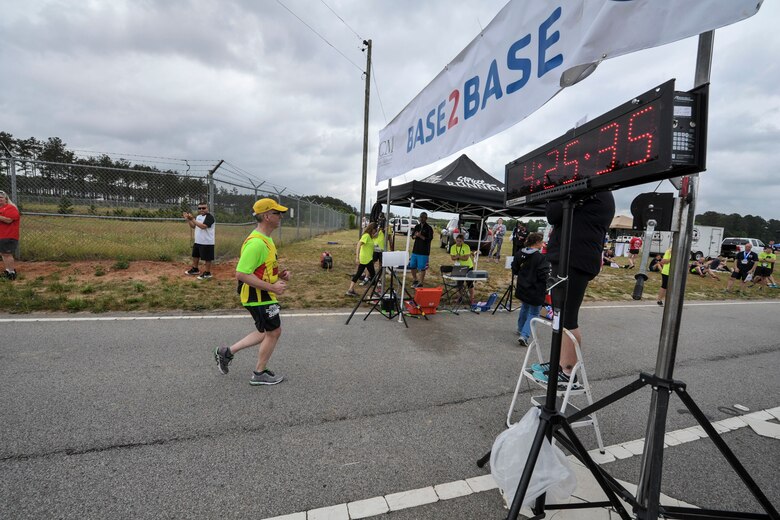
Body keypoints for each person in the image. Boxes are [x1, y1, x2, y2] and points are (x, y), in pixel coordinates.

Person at [534, 192, 615, 387]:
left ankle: (568, 370)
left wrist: (554, 194)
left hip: (574, 258)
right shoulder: (596, 193)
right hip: (572, 256)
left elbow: (553, 213)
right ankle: (559, 364)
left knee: (568, 318)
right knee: (560, 316)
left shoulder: (590, 190)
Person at [214, 198, 290, 386]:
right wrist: (272, 287)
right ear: (266, 216)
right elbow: (241, 273)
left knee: (266, 331)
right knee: (274, 332)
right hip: (258, 295)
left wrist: (278, 275)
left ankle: (227, 352)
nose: (281, 217)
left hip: (262, 294)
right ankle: (259, 372)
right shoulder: (256, 243)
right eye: (277, 213)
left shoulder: (267, 239)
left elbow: (260, 268)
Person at [512, 233, 551, 348]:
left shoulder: (519, 253)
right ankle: (524, 335)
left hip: (523, 287)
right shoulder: (540, 257)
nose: (543, 244)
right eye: (542, 242)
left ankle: (520, 328)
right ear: (537, 243)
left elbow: (515, 269)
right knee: (534, 313)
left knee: (524, 307)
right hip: (535, 289)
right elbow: (543, 275)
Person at [183, 201, 216, 280]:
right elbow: (194, 226)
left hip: (207, 242)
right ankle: (195, 269)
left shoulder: (210, 217)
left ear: (207, 208)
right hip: (198, 241)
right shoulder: (198, 217)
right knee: (195, 255)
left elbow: (203, 226)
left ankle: (207, 273)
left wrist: (192, 219)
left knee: (207, 258)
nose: (201, 209)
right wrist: (188, 219)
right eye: (199, 208)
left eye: (203, 208)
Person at [346, 222, 378, 296]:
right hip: (366, 259)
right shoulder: (366, 236)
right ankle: (375, 292)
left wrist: (379, 231)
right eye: (375, 229)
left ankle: (350, 289)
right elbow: (358, 244)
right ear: (372, 229)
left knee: (358, 274)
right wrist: (357, 257)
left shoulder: (370, 236)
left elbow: (374, 236)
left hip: (366, 258)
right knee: (373, 275)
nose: (375, 231)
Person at [408, 212, 433, 288]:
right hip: (415, 250)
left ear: (426, 218)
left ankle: (421, 282)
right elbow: (412, 236)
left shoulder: (429, 228)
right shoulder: (417, 226)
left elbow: (429, 239)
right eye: (420, 217)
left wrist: (421, 236)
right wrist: (415, 236)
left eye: (423, 217)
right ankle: (415, 279)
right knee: (412, 265)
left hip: (424, 251)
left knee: (422, 267)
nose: (421, 218)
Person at [0, 190, 20, 280]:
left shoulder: (11, 208)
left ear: (6, 199)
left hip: (9, 235)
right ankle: (8, 270)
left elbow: (9, 220)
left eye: (1, 198)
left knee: (7, 254)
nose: (0, 200)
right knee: (3, 254)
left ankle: (12, 273)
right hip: (2, 235)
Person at [449, 233, 475, 303]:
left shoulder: (466, 247)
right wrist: (459, 257)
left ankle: (472, 298)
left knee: (470, 283)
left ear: (463, 241)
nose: (458, 242)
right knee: (459, 283)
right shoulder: (453, 247)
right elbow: (452, 258)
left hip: (469, 266)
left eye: (460, 241)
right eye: (457, 241)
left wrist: (458, 256)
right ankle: (459, 298)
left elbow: (466, 258)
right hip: (459, 267)